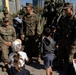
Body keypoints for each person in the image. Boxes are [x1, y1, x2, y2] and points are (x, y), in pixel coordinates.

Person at [57, 2, 76, 70]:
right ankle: (60, 67)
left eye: (66, 9)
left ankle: (70, 70)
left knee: (70, 58)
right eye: (64, 9)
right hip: (63, 41)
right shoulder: (64, 19)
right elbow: (61, 30)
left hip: (71, 42)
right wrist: (59, 40)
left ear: (71, 9)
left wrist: (74, 43)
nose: (65, 11)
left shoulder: (74, 19)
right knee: (60, 55)